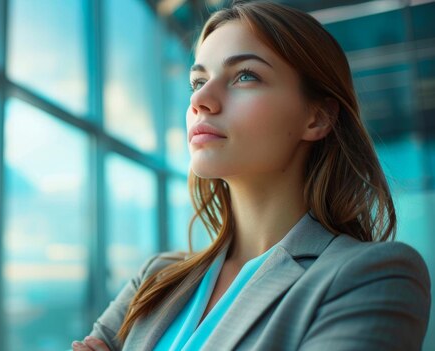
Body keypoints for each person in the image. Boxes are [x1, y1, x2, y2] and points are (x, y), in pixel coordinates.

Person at [72, 1, 432, 350]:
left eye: (245, 76)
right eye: (197, 82)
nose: (201, 101)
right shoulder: (156, 277)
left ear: (317, 118)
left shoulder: (373, 277)